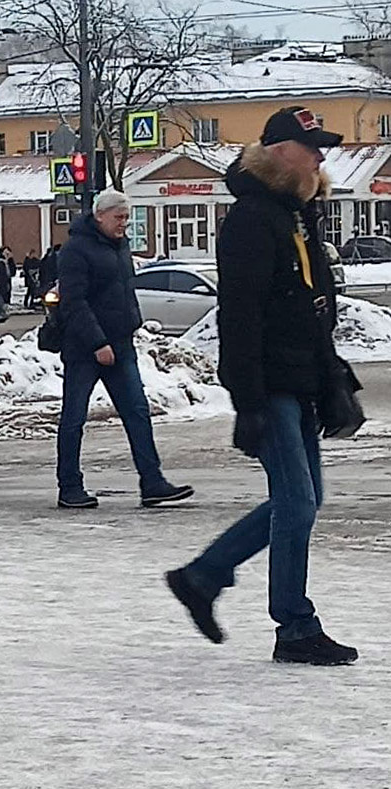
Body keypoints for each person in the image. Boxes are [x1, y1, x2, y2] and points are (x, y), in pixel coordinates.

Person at [166, 107, 358, 666]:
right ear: (278, 151)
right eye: (312, 146)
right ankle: (295, 626)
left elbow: (312, 309)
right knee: (296, 504)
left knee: (303, 500)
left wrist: (333, 378)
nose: (321, 156)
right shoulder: (253, 218)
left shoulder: (296, 215)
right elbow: (241, 316)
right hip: (270, 384)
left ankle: (202, 576)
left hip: (298, 382)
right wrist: (247, 402)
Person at [54, 189, 193, 510]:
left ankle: (153, 482)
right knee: (74, 418)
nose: (124, 224)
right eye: (119, 217)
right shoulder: (76, 250)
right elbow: (73, 302)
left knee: (138, 412)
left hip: (120, 344)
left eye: (126, 218)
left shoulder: (120, 247)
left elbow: (123, 293)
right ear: (99, 216)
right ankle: (69, 486)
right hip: (85, 349)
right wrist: (97, 342)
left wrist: (131, 326)